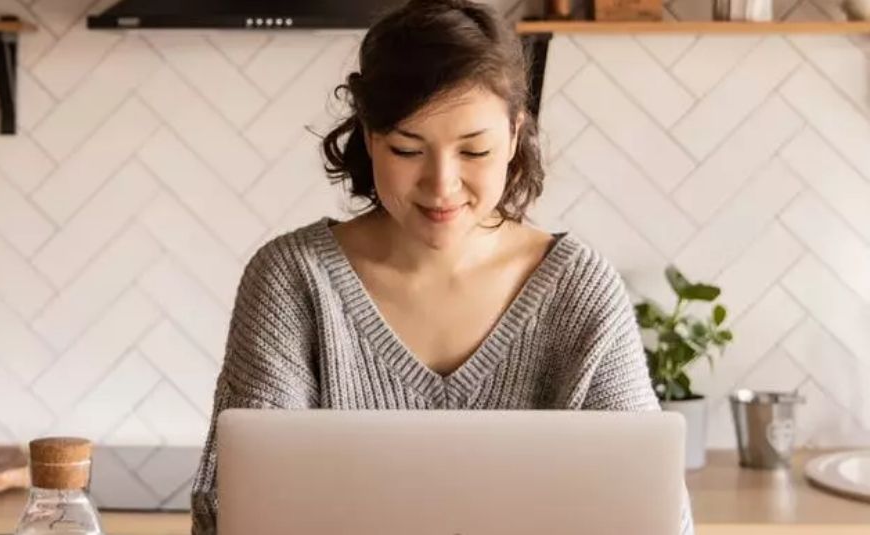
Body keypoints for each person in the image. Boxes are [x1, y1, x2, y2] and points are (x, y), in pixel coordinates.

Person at [189, 1, 695, 534]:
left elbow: (655, 518)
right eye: (408, 150)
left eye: (474, 151)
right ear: (368, 137)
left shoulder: (579, 289)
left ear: (515, 135)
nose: (442, 184)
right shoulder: (292, 280)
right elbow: (237, 513)